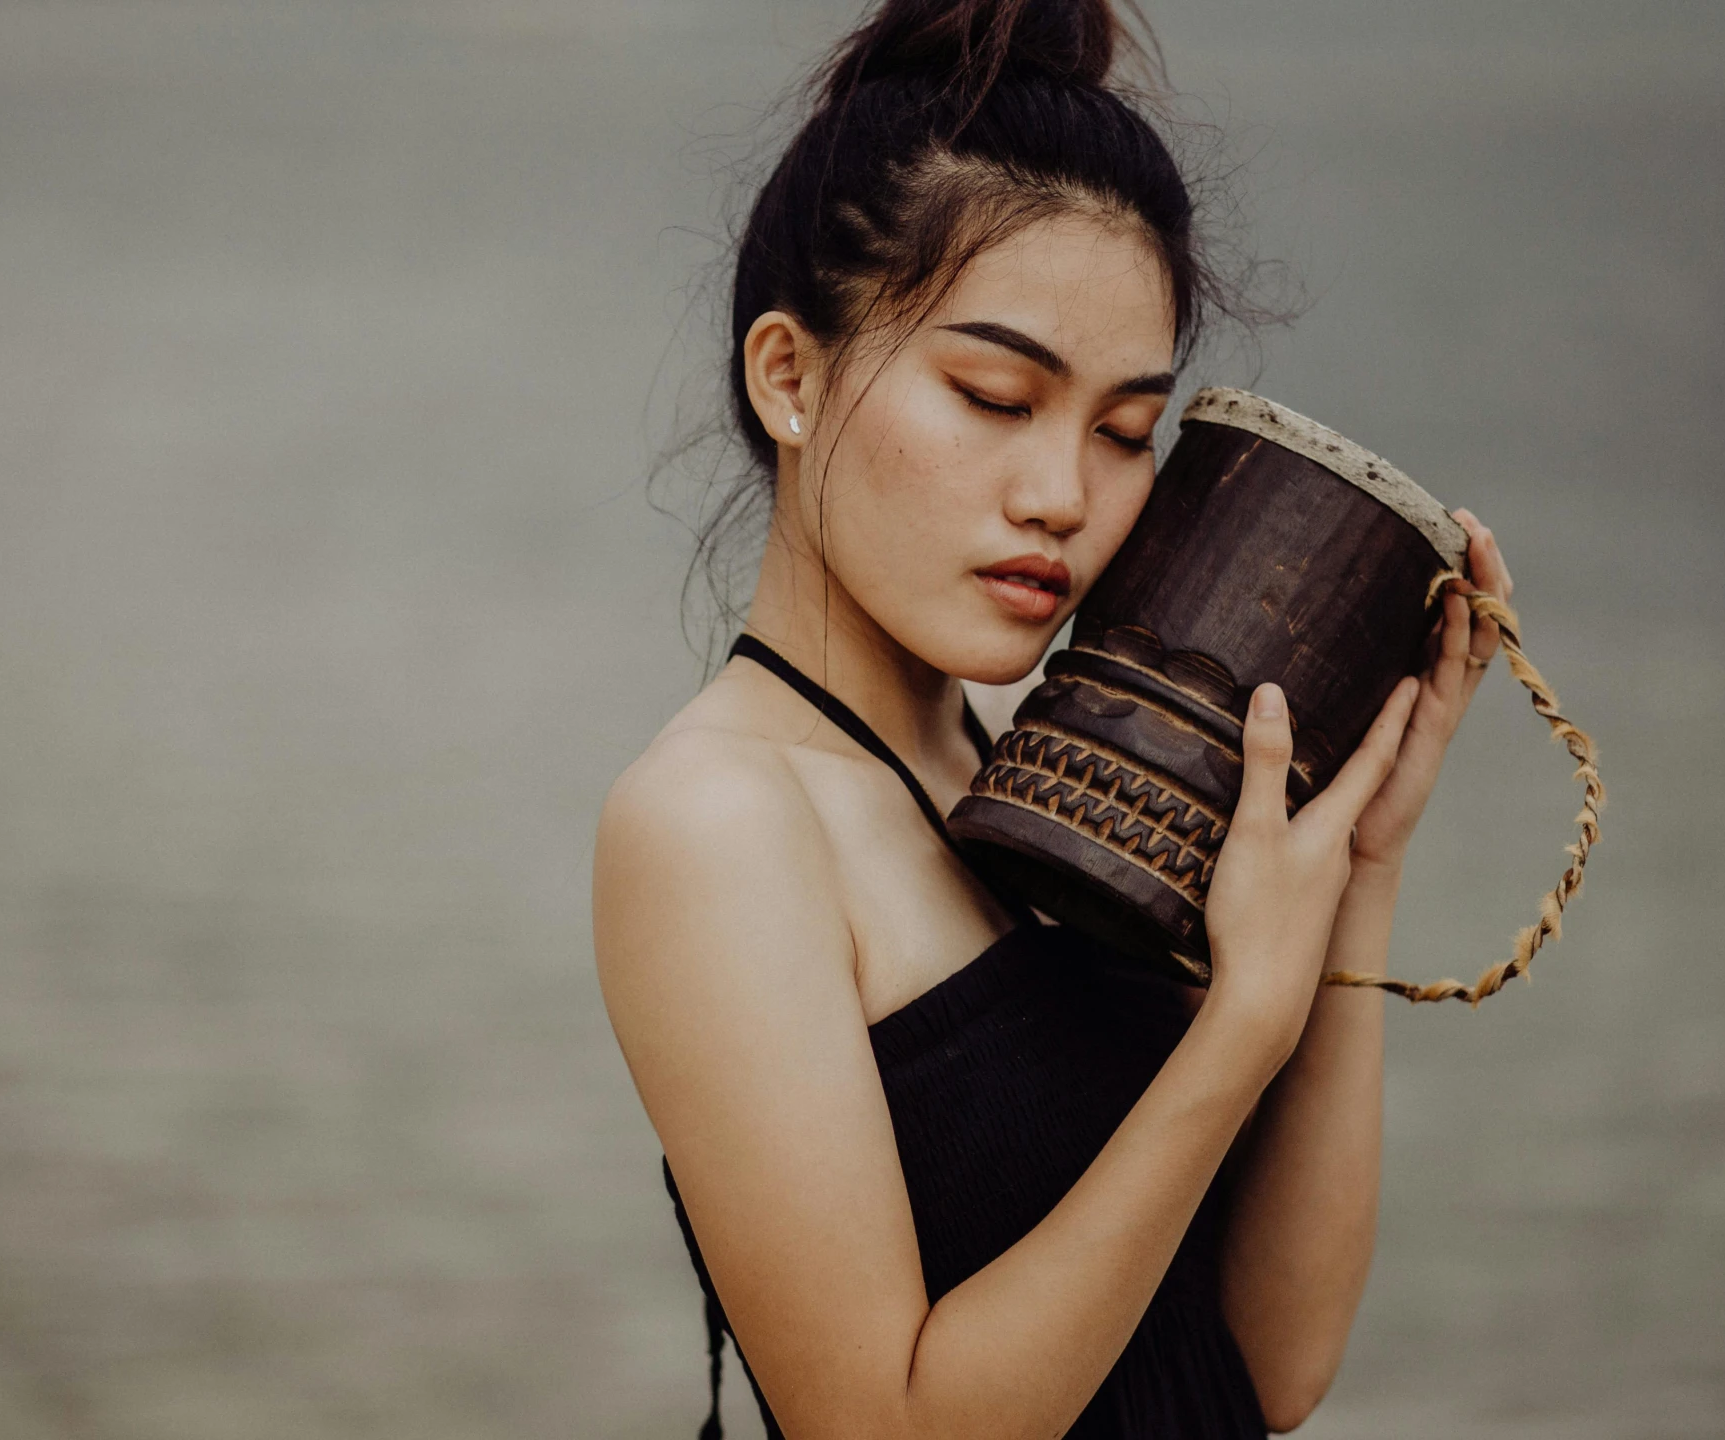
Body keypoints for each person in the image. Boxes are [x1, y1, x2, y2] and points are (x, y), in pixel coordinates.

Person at [591, 2, 1516, 1434]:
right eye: (994, 395)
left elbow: (1264, 1364)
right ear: (791, 375)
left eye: (1124, 430)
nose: (1062, 496)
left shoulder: (1033, 786)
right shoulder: (716, 821)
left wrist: (1356, 880)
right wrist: (1232, 1035)